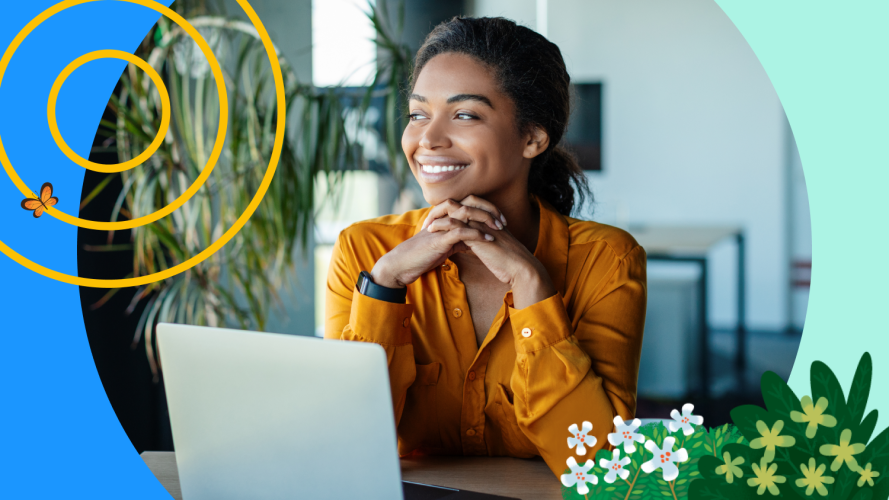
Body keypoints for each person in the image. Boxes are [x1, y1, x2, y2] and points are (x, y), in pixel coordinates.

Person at [324, 16, 646, 478]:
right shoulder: (367, 252)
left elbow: (601, 465)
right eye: (418, 114)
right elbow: (342, 447)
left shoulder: (607, 259)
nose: (427, 140)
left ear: (533, 137)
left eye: (465, 114)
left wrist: (532, 286)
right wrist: (385, 287)